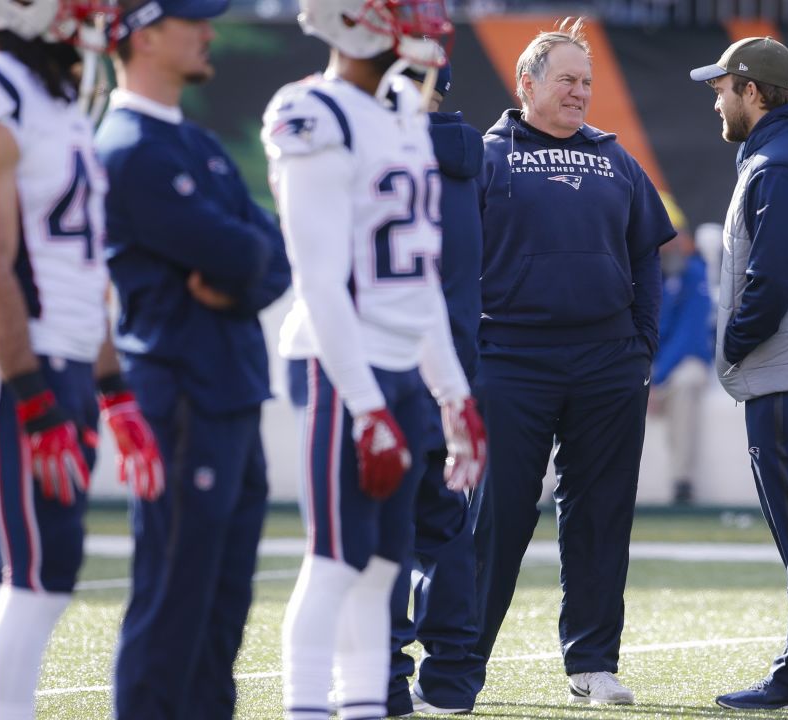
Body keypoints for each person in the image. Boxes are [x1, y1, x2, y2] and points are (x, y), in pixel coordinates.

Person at [261, 1, 487, 718]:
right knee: (335, 560)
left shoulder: (402, 113)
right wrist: (366, 408)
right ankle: (306, 706)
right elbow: (319, 279)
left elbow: (416, 282)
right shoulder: (311, 112)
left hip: (400, 363)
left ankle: (364, 706)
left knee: (383, 567)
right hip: (339, 364)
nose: (424, 29)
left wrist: (453, 394)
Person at [464, 17, 674, 706]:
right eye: (566, 81)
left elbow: (648, 256)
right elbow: (456, 264)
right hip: (510, 358)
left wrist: (641, 347)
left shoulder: (617, 158)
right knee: (498, 514)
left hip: (608, 361)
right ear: (527, 83)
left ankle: (592, 663)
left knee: (602, 513)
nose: (580, 93)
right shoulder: (486, 155)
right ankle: (460, 663)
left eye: (587, 82)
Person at [94, 0, 292, 717]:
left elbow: (271, 255)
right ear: (145, 36)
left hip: (231, 388)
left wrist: (241, 281)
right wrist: (248, 264)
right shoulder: (126, 147)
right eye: (192, 21)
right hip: (180, 393)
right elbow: (244, 250)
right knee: (175, 596)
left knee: (225, 601)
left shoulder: (199, 144)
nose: (209, 32)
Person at [0, 3, 163, 718]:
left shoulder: (53, 95)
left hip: (61, 358)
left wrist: (113, 387)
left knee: (42, 567)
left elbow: (79, 265)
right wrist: (29, 389)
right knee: (35, 568)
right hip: (12, 366)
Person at [689, 37, 788, 711]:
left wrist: (734, 344)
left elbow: (772, 278)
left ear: (753, 91)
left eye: (723, 88)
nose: (716, 100)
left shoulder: (777, 163)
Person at [380, 63, 489, 717]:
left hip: (393, 369)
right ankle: (450, 684)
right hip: (457, 373)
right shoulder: (473, 159)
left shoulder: (383, 158)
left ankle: (385, 684)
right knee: (448, 536)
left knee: (378, 535)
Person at [649, 193, 713, 505]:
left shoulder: (694, 275)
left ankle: (681, 481)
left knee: (687, 381)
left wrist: (654, 379)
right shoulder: (637, 274)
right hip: (645, 365)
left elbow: (688, 338)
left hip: (679, 364)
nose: (671, 244)